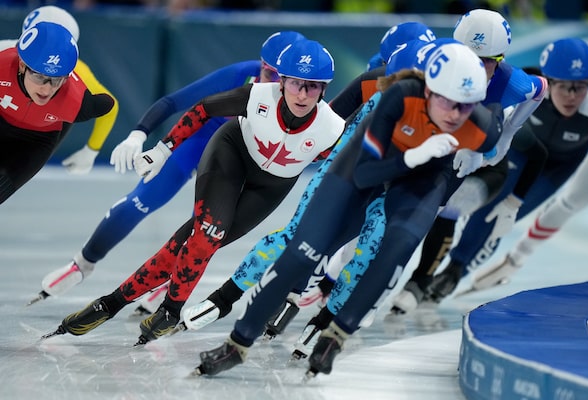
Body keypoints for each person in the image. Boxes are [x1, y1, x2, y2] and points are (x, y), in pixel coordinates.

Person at [193, 41, 500, 377]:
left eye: (465, 106)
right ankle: (237, 343)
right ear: (427, 90)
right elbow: (366, 174)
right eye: (447, 102)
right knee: (303, 253)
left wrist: (478, 168)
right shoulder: (399, 98)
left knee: (393, 250)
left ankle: (335, 336)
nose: (455, 115)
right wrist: (415, 155)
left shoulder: (482, 126)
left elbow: (501, 156)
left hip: (420, 181)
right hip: (366, 168)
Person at [42, 38, 346, 347]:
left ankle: (111, 303)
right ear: (282, 82)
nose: (302, 94)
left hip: (271, 186)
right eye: (295, 84)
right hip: (231, 154)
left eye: (312, 87)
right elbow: (202, 108)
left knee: (193, 243)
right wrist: (163, 149)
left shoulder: (332, 129)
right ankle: (170, 310)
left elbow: (343, 177)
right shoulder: (256, 96)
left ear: (324, 90)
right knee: (208, 234)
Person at [170, 35, 442, 339]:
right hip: (350, 173)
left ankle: (323, 317)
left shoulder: (453, 115)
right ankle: (227, 298)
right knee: (301, 239)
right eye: (397, 88)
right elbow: (332, 126)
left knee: (366, 253)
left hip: (392, 188)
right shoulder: (373, 87)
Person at [388, 8, 548, 314]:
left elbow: (540, 88)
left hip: (484, 166)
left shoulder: (512, 84)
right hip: (440, 151)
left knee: (447, 208)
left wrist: (507, 136)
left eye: (487, 61)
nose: (477, 67)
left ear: (500, 60)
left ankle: (420, 282)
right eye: (469, 56)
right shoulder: (430, 65)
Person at [435, 39, 588, 297]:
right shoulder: (529, 89)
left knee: (504, 217)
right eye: (565, 86)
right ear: (549, 81)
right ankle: (451, 267)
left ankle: (454, 273)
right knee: (490, 206)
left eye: (581, 87)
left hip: (556, 168)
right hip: (522, 153)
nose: (572, 96)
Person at [0, 21, 115, 205]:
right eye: (39, 77)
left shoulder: (76, 101)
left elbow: (110, 105)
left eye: (56, 80)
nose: (46, 89)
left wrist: (92, 150)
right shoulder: (2, 66)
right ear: (22, 65)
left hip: (35, 142)